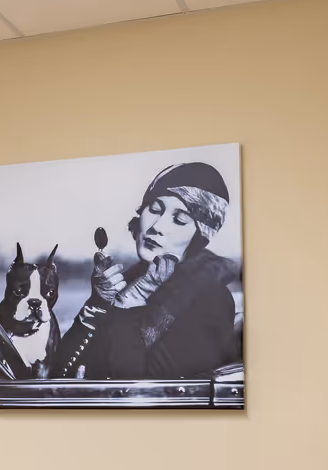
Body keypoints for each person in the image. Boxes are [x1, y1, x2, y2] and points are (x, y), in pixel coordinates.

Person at [47, 162, 239, 381]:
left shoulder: (209, 300)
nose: (157, 226)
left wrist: (130, 304)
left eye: (180, 220)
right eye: (155, 209)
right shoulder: (127, 281)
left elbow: (138, 392)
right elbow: (59, 373)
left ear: (199, 237)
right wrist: (97, 303)